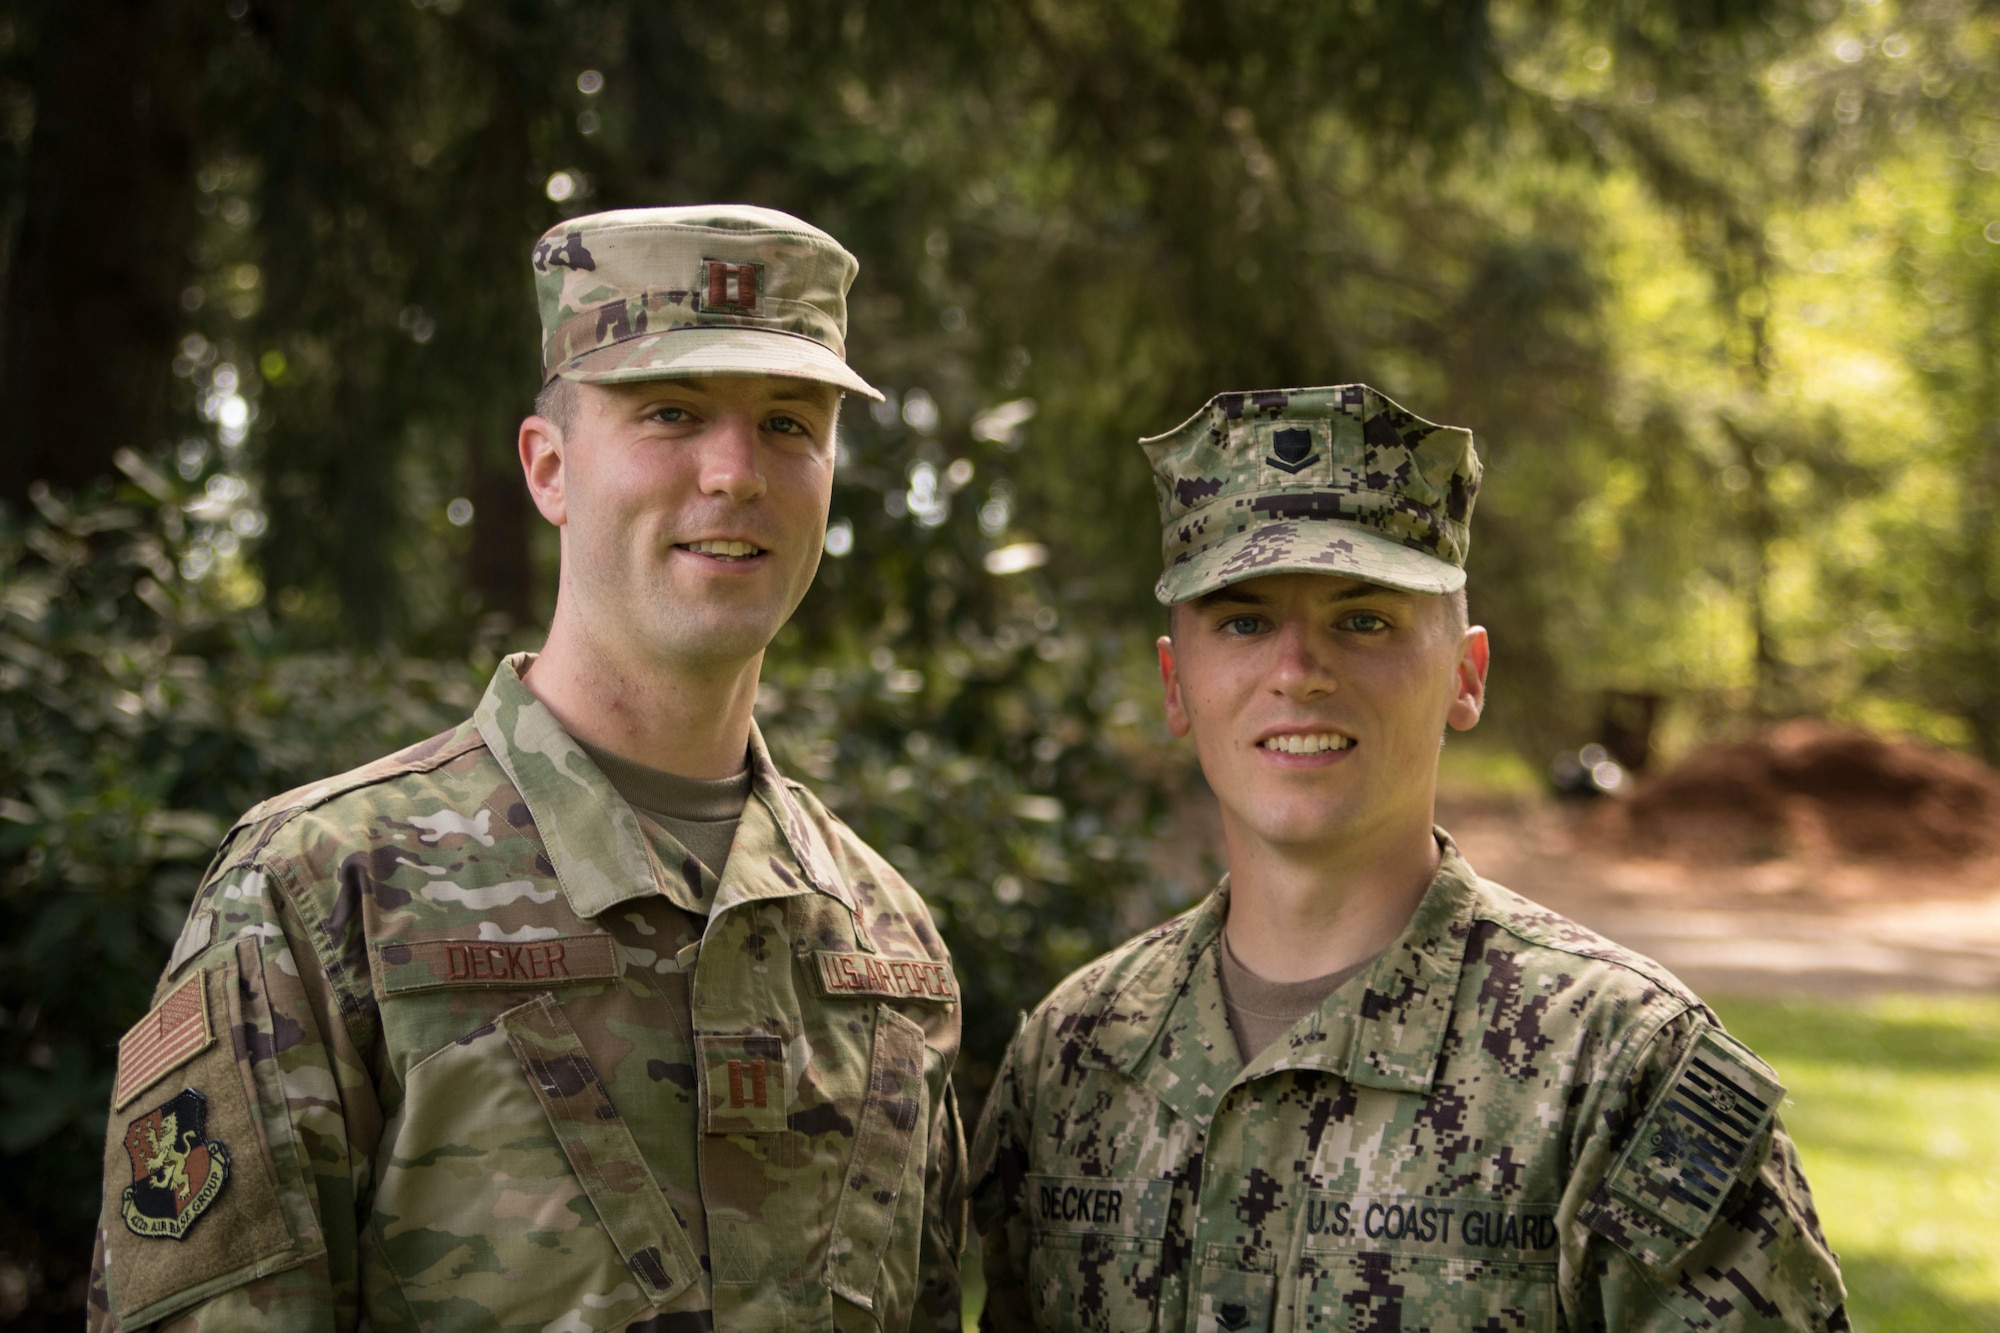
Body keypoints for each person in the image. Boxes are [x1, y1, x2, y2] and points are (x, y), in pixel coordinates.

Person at [89, 205, 966, 1332]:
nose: (736, 472)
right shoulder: (319, 893)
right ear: (549, 469)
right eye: (670, 412)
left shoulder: (886, 943)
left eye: (790, 424)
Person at [969, 385, 1846, 1332]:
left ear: (1465, 676)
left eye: (1366, 620)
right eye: (1244, 621)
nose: (1300, 669)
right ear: (1177, 684)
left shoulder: (1619, 1068)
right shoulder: (1075, 1059)